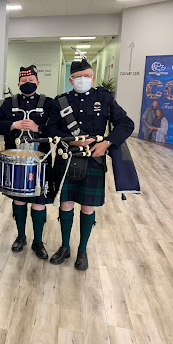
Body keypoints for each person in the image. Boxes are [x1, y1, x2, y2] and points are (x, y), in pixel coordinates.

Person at [46, 58, 134, 270]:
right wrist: (72, 140)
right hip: (68, 158)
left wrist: (108, 142)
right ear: (71, 79)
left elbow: (126, 123)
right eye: (79, 77)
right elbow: (50, 130)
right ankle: (65, 246)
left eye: (87, 76)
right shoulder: (60, 102)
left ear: (92, 77)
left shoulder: (104, 98)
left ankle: (82, 250)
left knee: (87, 206)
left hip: (94, 160)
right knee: (66, 204)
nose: (84, 80)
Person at [0, 65, 53, 259]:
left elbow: (56, 128)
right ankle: (20, 236)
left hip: (40, 160)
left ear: (38, 82)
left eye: (31, 81)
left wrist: (39, 127)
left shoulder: (48, 103)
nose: (27, 84)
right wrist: (13, 124)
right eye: (24, 81)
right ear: (18, 83)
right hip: (16, 160)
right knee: (19, 198)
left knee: (38, 202)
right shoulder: (10, 102)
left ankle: (38, 241)